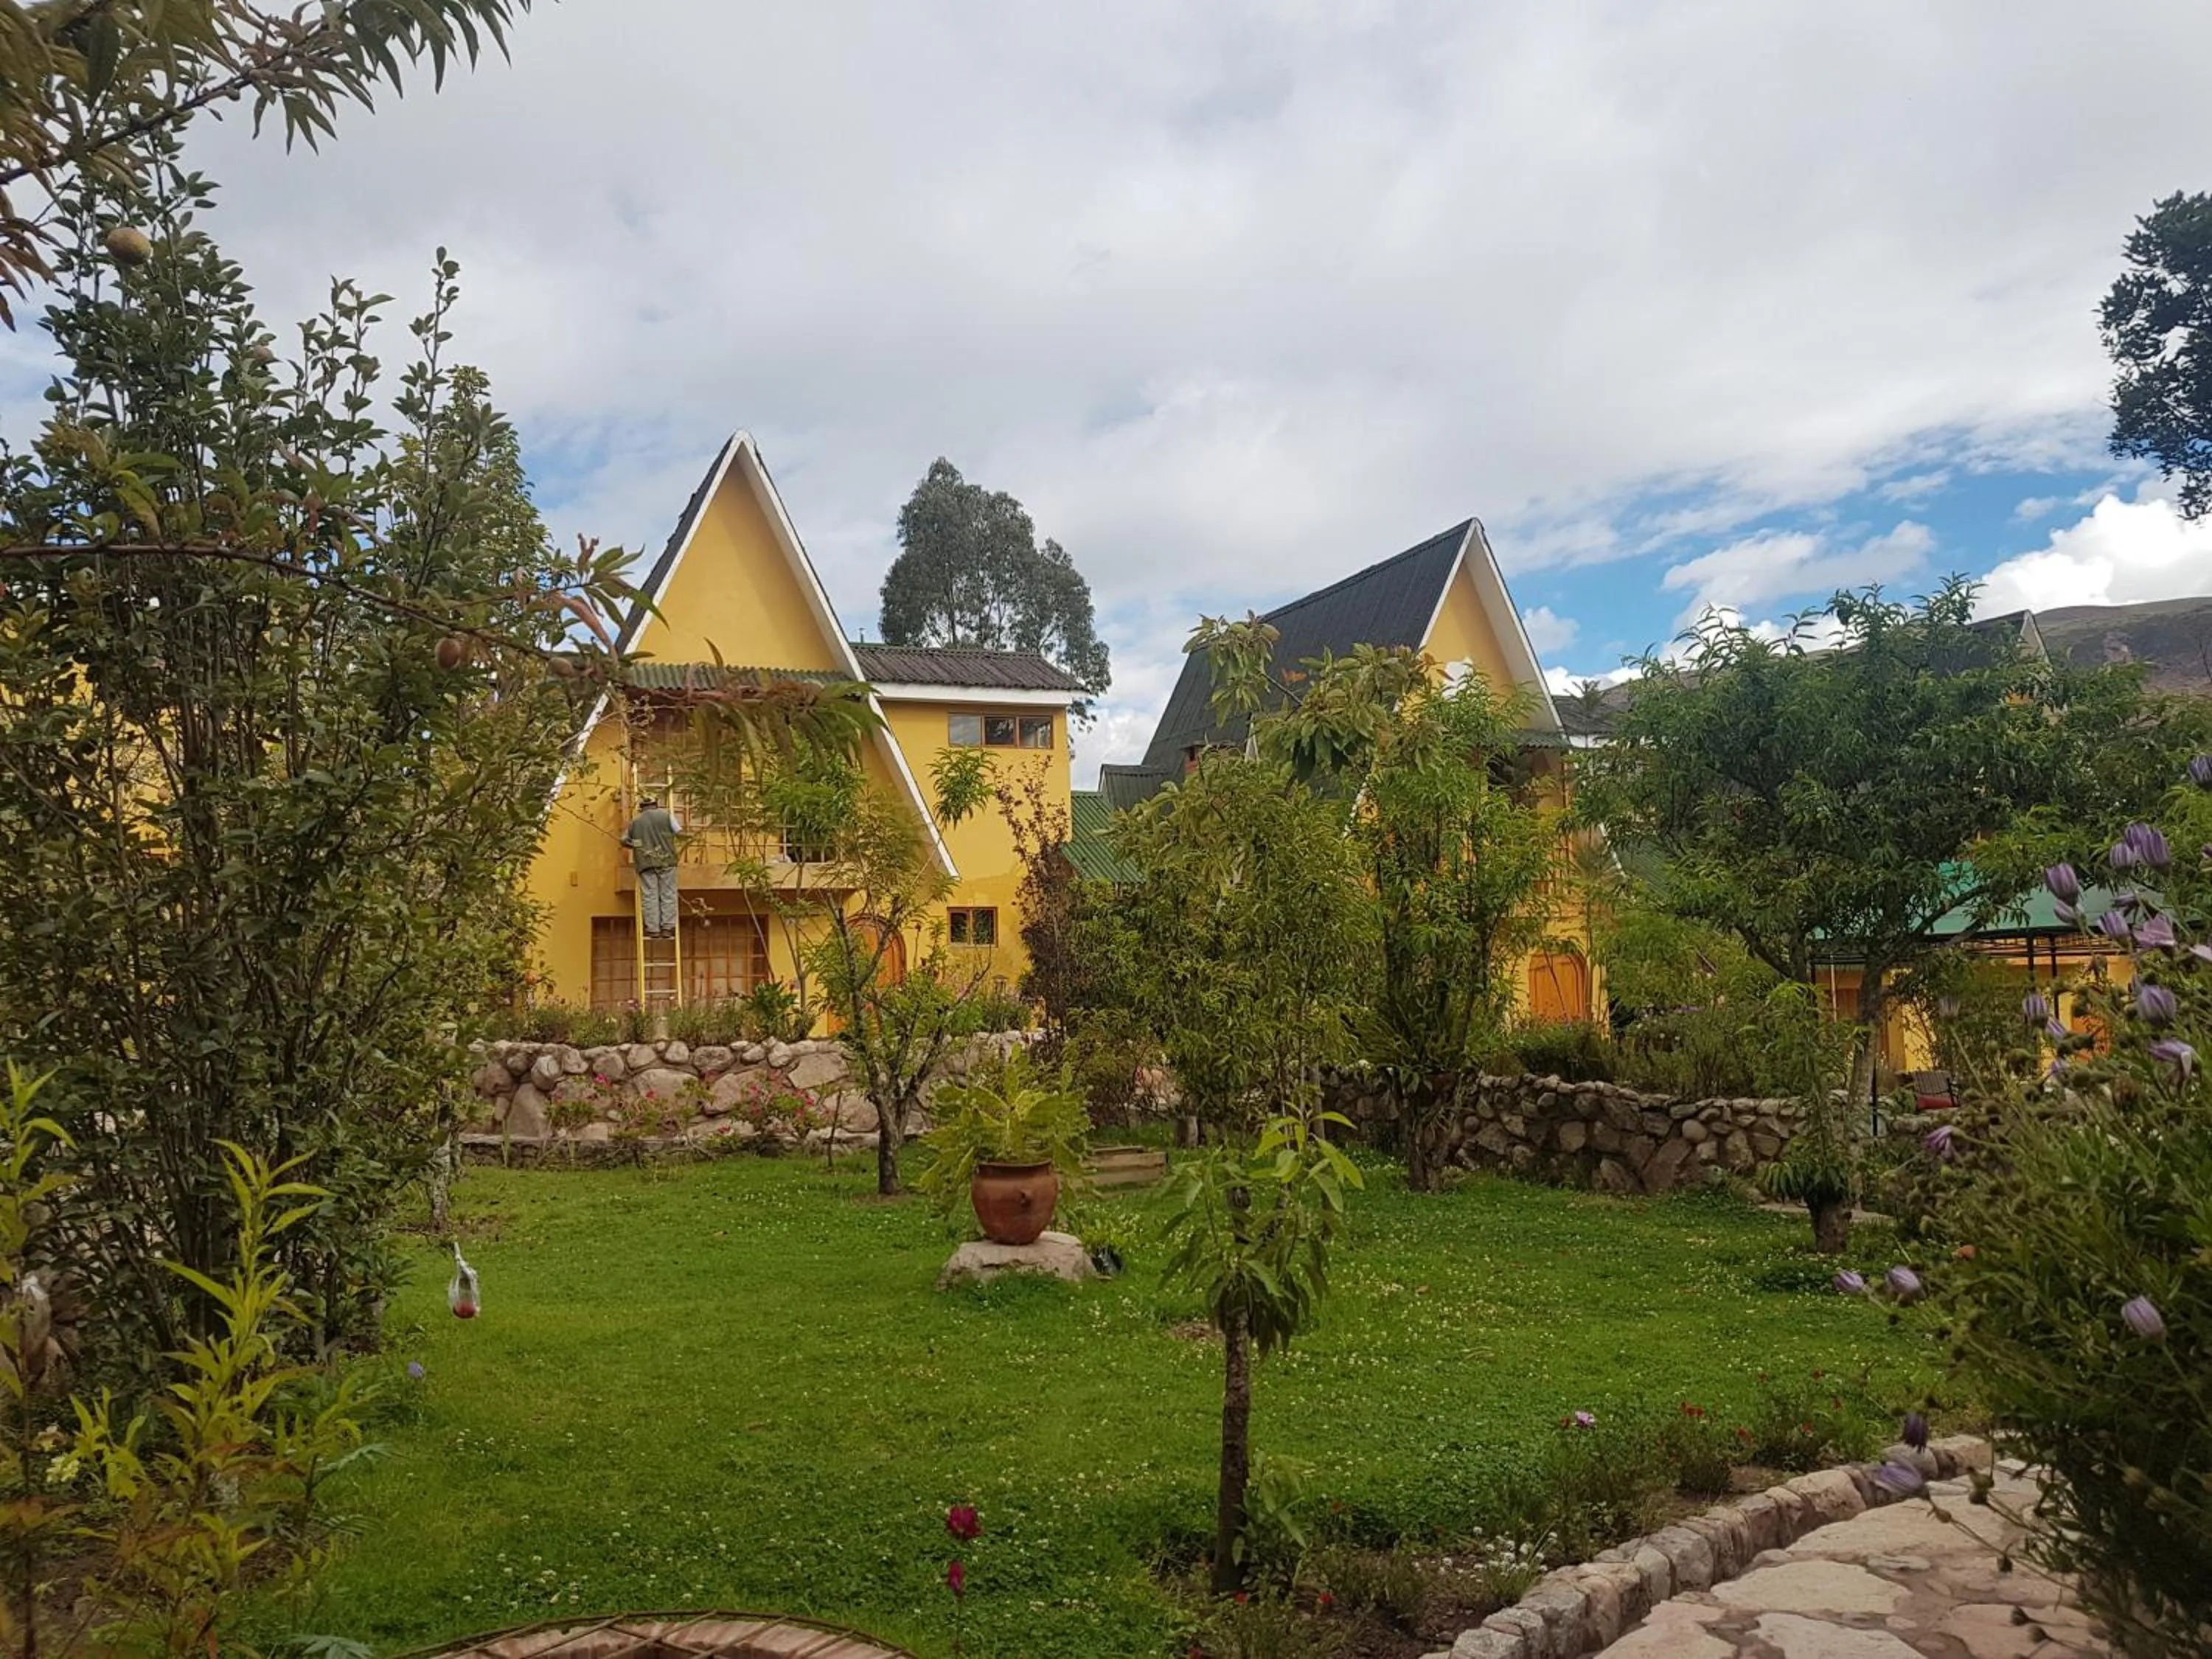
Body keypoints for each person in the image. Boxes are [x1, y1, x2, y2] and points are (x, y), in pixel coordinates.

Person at [621, 793, 681, 937]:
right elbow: (679, 831)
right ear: (656, 805)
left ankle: (653, 929)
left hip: (646, 862)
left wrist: (635, 844)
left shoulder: (635, 822)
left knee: (650, 895)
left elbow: (623, 840)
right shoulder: (666, 816)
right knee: (668, 894)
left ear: (642, 808)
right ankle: (668, 927)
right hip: (666, 860)